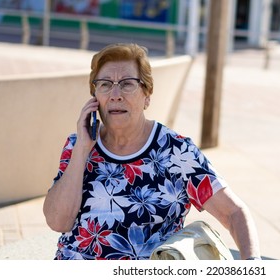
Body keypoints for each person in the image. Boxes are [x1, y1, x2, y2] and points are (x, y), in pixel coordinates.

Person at [43, 43, 261, 260]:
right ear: (95, 98)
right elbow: (57, 221)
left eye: (127, 84)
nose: (115, 94)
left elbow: (233, 213)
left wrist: (252, 266)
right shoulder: (78, 144)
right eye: (105, 84)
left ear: (147, 96)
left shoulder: (177, 152)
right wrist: (82, 151)